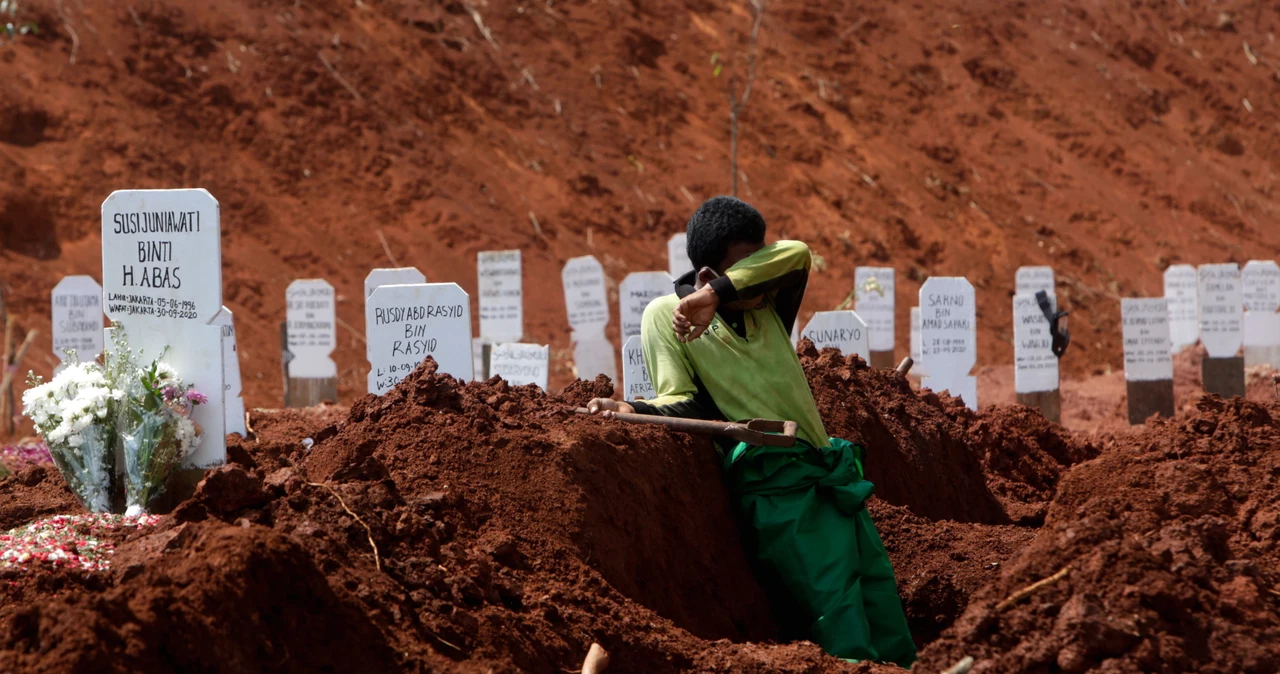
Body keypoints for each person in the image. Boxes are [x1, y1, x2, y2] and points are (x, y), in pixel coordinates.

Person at [587, 196, 917, 667]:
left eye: (759, 261)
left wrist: (716, 293)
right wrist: (628, 406)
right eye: (746, 264)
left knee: (880, 597)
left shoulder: (768, 304)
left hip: (828, 469)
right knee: (836, 607)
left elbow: (797, 253)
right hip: (775, 480)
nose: (758, 273)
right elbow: (685, 399)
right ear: (705, 271)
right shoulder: (666, 315)